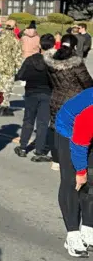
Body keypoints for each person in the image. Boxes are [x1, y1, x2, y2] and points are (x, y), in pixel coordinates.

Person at [53, 87, 93, 257]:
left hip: (87, 133)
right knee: (73, 180)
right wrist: (81, 171)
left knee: (92, 182)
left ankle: (88, 229)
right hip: (70, 131)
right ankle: (72, 234)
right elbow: (79, 142)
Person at [45, 34, 93, 172]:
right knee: (73, 130)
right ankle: (69, 159)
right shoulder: (76, 63)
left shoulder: (51, 61)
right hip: (73, 99)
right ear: (75, 46)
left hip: (56, 96)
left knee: (54, 126)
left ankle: (55, 159)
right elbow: (87, 82)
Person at [15, 33, 55, 162]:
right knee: (43, 123)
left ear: (39, 45)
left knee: (28, 120)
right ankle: (39, 150)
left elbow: (20, 75)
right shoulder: (53, 62)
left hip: (31, 92)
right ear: (53, 46)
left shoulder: (30, 60)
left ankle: (22, 147)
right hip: (47, 93)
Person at [0, 20, 23, 116]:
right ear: (14, 28)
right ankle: (4, 107)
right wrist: (19, 68)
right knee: (6, 87)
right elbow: (17, 56)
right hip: (8, 67)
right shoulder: (15, 41)